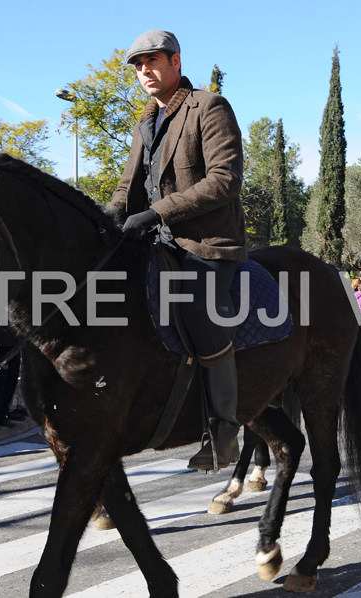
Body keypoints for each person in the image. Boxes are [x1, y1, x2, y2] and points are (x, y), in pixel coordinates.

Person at [108, 30, 246, 471]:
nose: (144, 70)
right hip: (153, 244)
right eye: (137, 65)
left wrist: (158, 213)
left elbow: (224, 180)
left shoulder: (209, 107)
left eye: (151, 61)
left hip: (204, 244)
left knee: (198, 311)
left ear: (176, 61)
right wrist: (102, 219)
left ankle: (224, 431)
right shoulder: (145, 123)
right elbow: (126, 190)